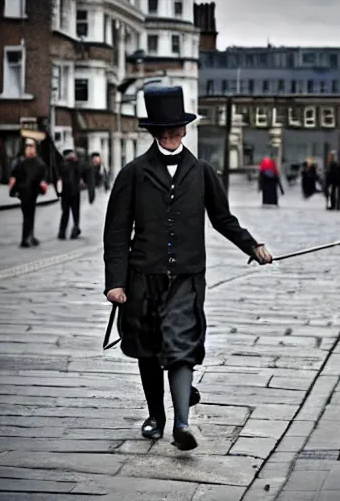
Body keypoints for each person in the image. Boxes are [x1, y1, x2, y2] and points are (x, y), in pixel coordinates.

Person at [103, 86, 273, 452]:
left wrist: (252, 245)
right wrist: (114, 282)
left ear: (184, 130)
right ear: (153, 133)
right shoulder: (132, 174)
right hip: (142, 276)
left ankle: (182, 423)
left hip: (187, 277)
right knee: (148, 348)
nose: (169, 138)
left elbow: (223, 219)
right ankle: (156, 417)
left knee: (181, 343)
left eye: (175, 131)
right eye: (163, 132)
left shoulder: (202, 172)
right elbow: (116, 232)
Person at [9, 136, 48, 248]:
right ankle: (25, 238)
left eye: (31, 146)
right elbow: (14, 175)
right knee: (27, 216)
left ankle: (30, 236)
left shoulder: (39, 163)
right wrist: (14, 189)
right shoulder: (21, 162)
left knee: (30, 215)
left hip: (33, 192)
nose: (29, 149)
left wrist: (42, 185)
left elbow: (43, 176)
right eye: (27, 146)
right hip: (24, 192)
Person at [57, 149, 95, 240]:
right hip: (74, 192)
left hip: (66, 192)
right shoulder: (77, 164)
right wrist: (91, 193)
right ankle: (74, 229)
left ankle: (63, 231)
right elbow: (87, 175)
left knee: (65, 212)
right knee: (75, 212)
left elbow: (58, 178)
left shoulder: (62, 164)